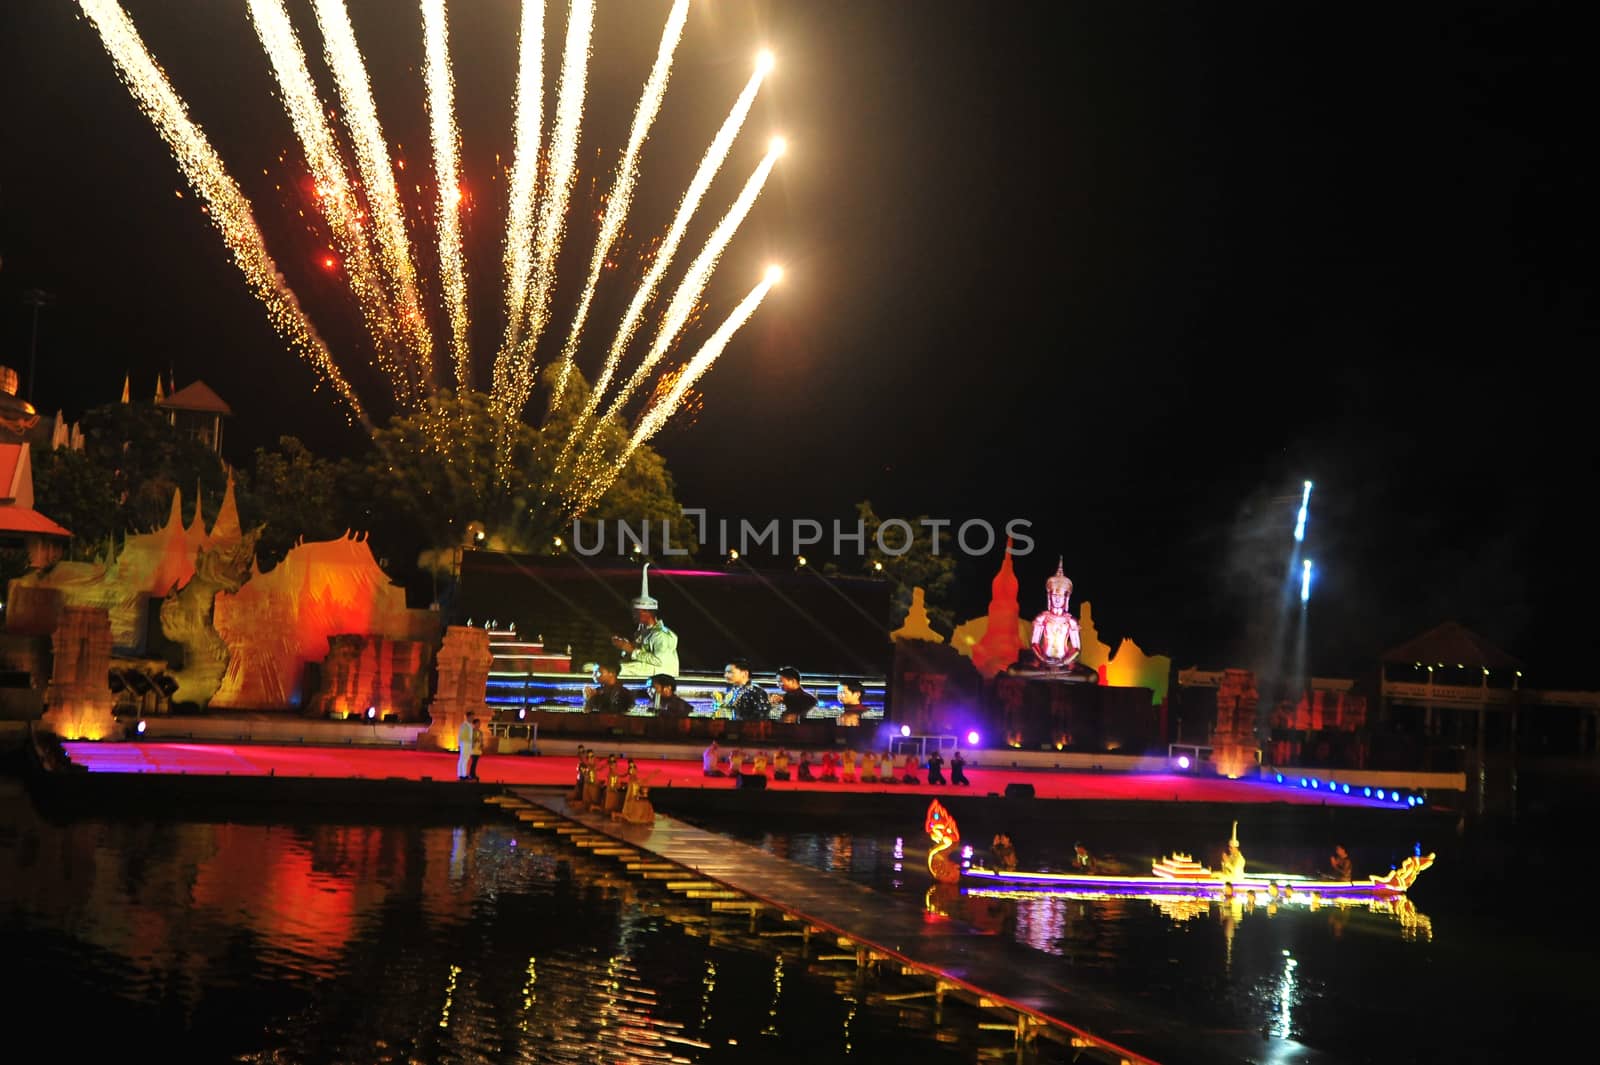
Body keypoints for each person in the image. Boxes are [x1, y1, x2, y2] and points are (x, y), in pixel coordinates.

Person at [613, 564, 681, 679]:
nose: (633, 615)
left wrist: (632, 650)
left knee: (620, 670)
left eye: (635, 612)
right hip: (644, 673)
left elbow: (659, 661)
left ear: (646, 613)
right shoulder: (641, 632)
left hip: (661, 679)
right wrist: (625, 647)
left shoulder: (661, 635)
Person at [1028, 558, 1083, 671]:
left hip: (1064, 664)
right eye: (1054, 596)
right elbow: (1034, 643)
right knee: (1014, 671)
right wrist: (1043, 659)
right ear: (1050, 597)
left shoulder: (1070, 621)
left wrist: (1064, 661)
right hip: (1044, 662)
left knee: (1091, 677)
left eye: (1061, 596)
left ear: (1066, 598)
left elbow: (1076, 648)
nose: (1057, 599)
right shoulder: (1042, 618)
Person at [456, 714, 476, 780]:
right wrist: (459, 744)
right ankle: (461, 774)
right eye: (471, 717)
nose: (472, 718)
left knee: (466, 759)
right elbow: (460, 735)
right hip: (464, 743)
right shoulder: (464, 725)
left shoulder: (471, 725)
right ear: (468, 717)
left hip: (469, 744)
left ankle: (463, 774)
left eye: (473, 717)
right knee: (462, 758)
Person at [468, 714, 487, 780]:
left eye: (479, 723)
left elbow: (481, 740)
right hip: (473, 749)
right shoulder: (471, 731)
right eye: (478, 723)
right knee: (473, 762)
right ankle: (471, 774)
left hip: (478, 749)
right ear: (474, 724)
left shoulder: (480, 732)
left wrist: (482, 744)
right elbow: (469, 739)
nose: (479, 725)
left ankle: (473, 774)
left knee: (475, 763)